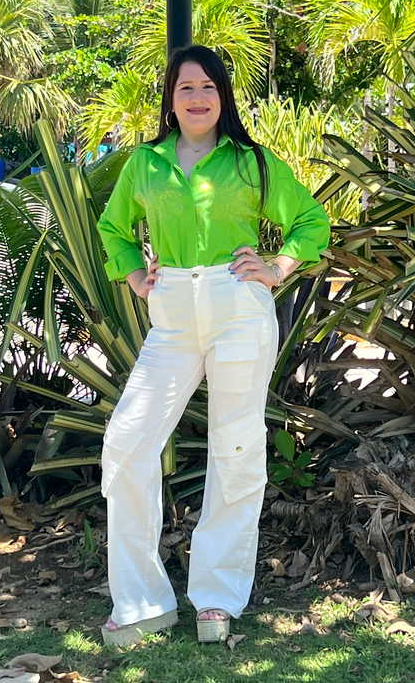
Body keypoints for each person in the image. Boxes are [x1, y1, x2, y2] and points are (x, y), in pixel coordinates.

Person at [97, 45, 330, 646]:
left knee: (235, 449)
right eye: (184, 88)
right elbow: (113, 228)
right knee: (126, 441)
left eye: (207, 87)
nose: (197, 97)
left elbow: (309, 220)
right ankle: (142, 602)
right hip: (171, 313)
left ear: (222, 96)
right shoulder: (144, 164)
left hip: (237, 306)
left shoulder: (250, 161)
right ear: (170, 101)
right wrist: (132, 273)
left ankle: (217, 601)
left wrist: (277, 267)